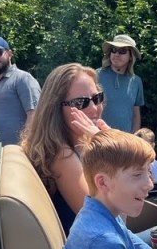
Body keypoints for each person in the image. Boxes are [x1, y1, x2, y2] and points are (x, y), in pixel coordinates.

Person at [20, 63, 108, 235]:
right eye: (80, 103)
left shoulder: (78, 147)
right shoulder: (60, 156)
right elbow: (105, 221)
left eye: (97, 98)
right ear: (56, 109)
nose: (94, 108)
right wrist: (110, 149)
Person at [0, 36, 41, 146]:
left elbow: (35, 114)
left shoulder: (23, 78)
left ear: (9, 54)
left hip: (18, 155)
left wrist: (24, 147)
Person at [97, 34, 144, 132]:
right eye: (114, 50)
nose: (117, 54)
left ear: (131, 56)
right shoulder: (96, 75)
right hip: (100, 139)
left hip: (125, 142)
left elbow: (136, 114)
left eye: (122, 51)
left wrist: (134, 139)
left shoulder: (136, 81)